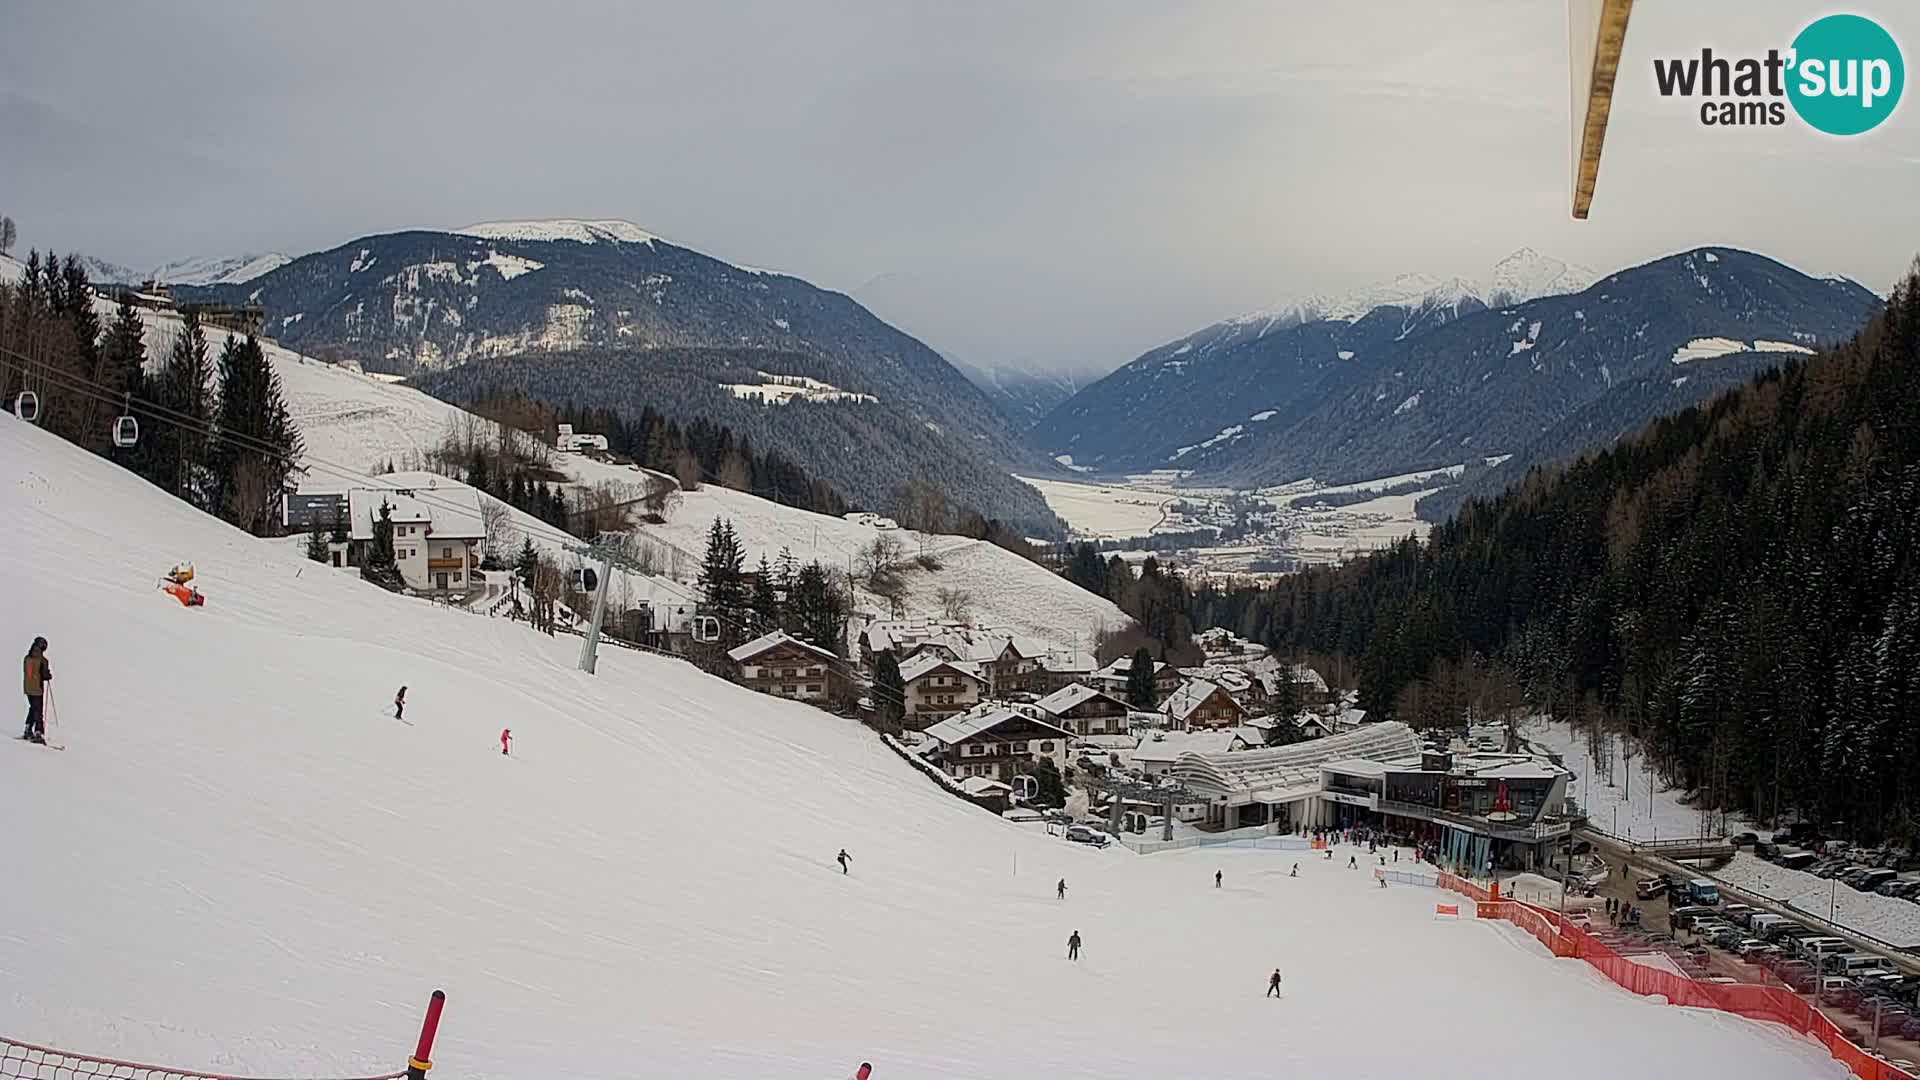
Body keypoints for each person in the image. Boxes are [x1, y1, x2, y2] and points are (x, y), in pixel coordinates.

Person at [21, 637, 50, 744]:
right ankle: (38, 732)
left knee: (33, 708)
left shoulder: (27, 658)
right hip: (37, 689)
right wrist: (48, 675)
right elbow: (45, 675)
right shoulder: (42, 660)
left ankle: (28, 729)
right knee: (38, 711)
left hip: (28, 688)